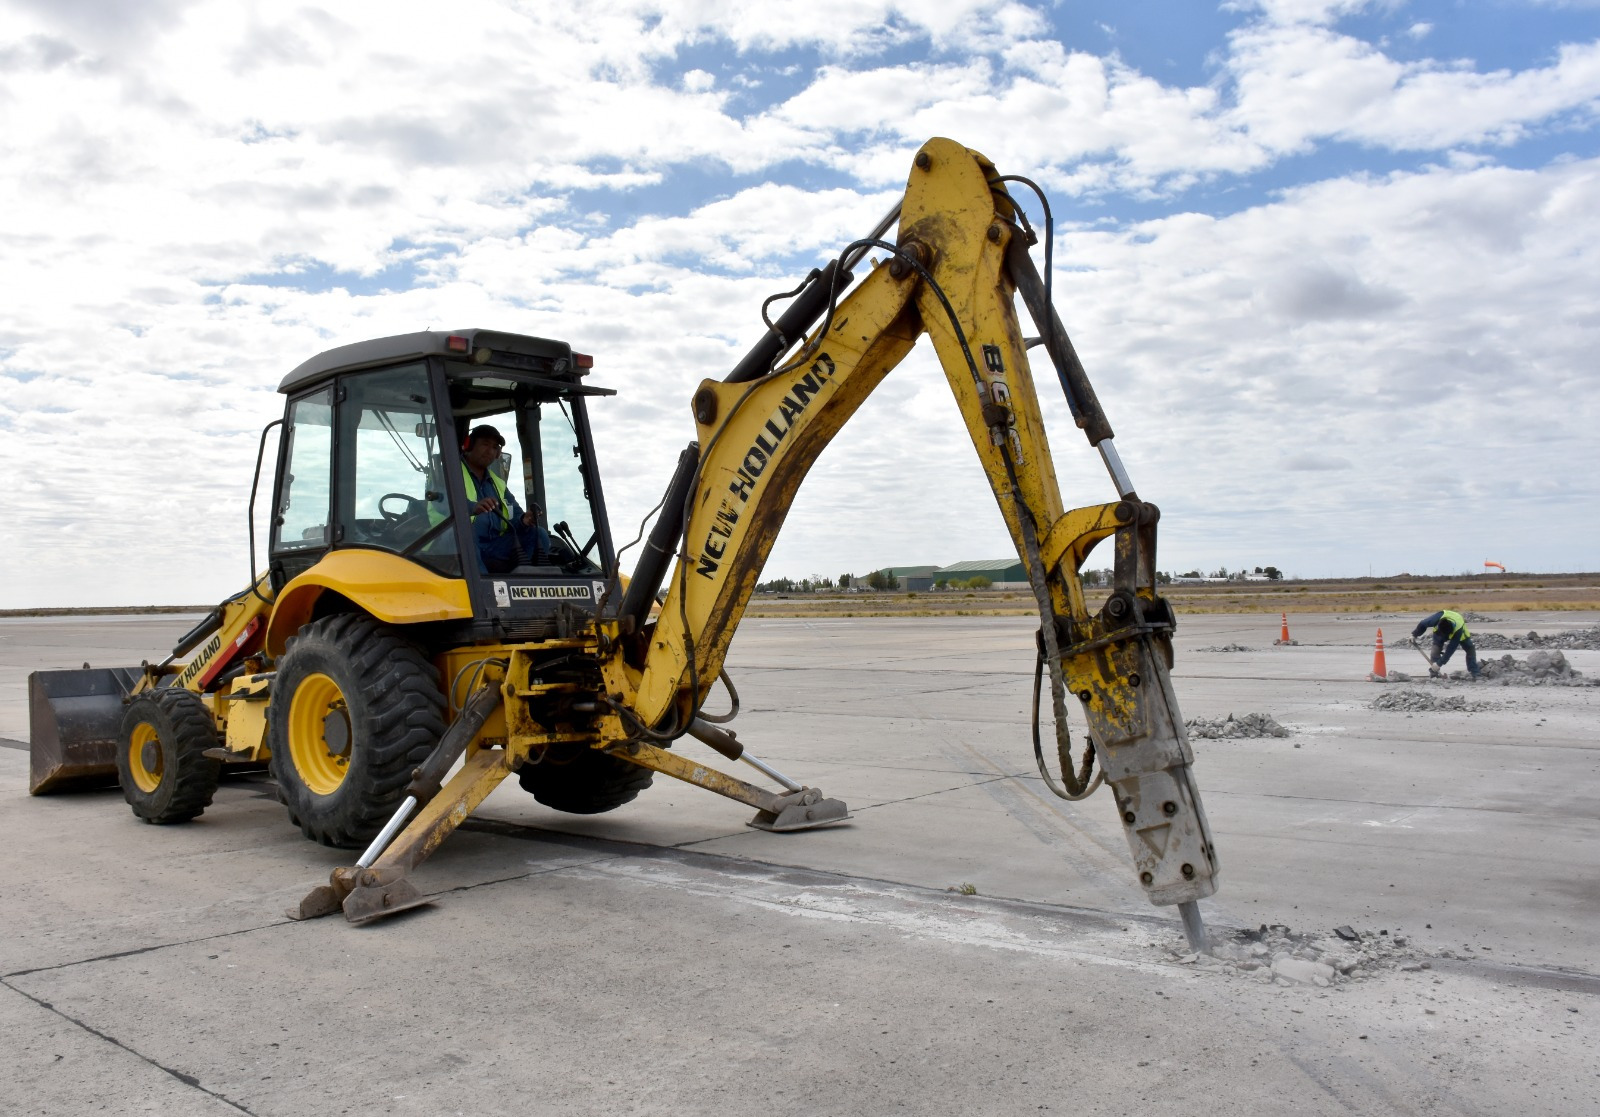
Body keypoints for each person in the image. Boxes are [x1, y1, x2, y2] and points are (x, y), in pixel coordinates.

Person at [460, 424, 550, 574]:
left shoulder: (498, 483)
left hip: (494, 545)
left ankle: (525, 587)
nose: (490, 451)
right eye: (485, 444)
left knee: (538, 534)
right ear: (469, 445)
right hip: (458, 544)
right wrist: (471, 507)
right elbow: (441, 505)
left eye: (495, 447)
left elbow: (515, 516)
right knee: (464, 535)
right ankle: (481, 591)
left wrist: (524, 520)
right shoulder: (449, 472)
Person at [1411, 608, 1480, 679]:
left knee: (1470, 648)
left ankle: (1475, 673)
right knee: (1435, 650)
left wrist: (1439, 663)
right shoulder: (1436, 619)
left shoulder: (1458, 630)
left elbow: (1450, 649)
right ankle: (1435, 673)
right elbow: (1423, 624)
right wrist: (1414, 635)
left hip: (1461, 633)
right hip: (1439, 632)